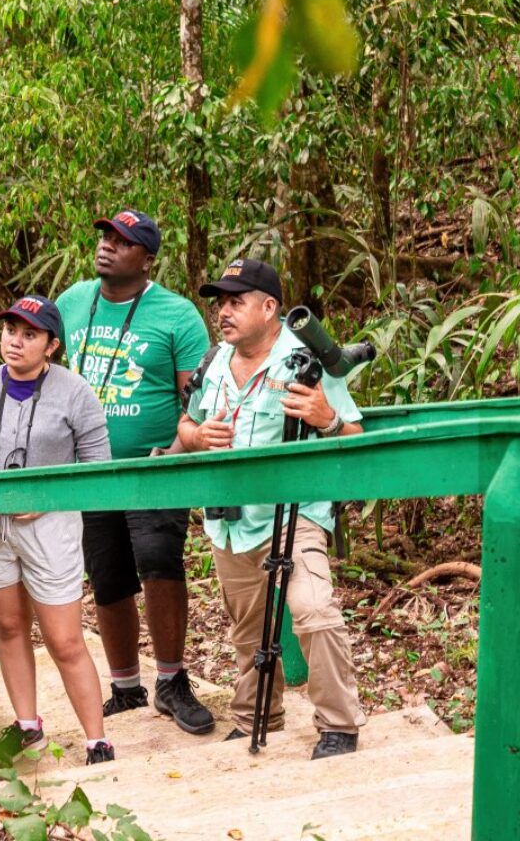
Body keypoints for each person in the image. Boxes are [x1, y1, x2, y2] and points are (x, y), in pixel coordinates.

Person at [176, 258, 368, 760]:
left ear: (269, 307)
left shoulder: (308, 360)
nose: (223, 311)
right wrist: (198, 437)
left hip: (295, 508)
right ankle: (257, 717)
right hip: (231, 518)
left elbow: (354, 437)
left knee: (311, 609)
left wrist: (326, 420)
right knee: (246, 628)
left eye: (235, 301)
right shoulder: (215, 361)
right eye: (220, 302)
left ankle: (339, 726)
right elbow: (185, 427)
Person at [56, 209, 215, 735]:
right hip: (89, 469)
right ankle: (126, 685)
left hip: (153, 466)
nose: (107, 246)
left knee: (157, 563)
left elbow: (198, 397)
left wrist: (173, 450)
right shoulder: (73, 302)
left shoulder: (177, 315)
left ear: (146, 258)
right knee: (107, 575)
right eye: (104, 236)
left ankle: (171, 680)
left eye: (122, 241)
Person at [0, 294, 115, 765]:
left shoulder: (75, 392)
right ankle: (27, 727)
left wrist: (43, 501)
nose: (15, 342)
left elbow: (97, 468)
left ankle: (97, 742)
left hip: (51, 529)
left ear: (51, 346)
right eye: (9, 331)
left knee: (64, 640)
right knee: (8, 625)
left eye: (29, 334)